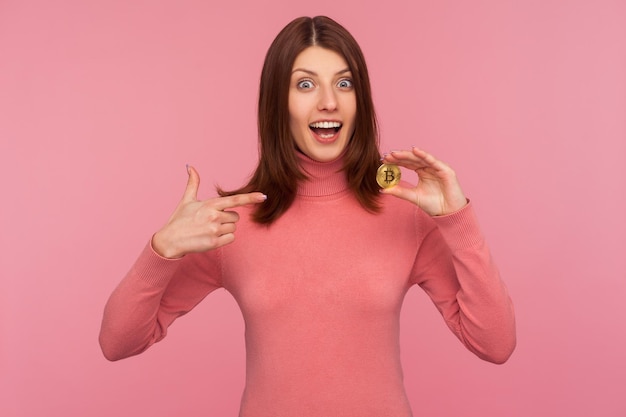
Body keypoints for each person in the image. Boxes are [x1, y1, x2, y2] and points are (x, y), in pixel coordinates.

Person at [99, 15, 516, 417]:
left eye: (344, 83)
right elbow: (117, 343)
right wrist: (160, 251)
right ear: (278, 103)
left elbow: (495, 344)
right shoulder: (234, 223)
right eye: (305, 84)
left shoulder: (404, 213)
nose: (328, 101)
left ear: (360, 99)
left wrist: (457, 221)